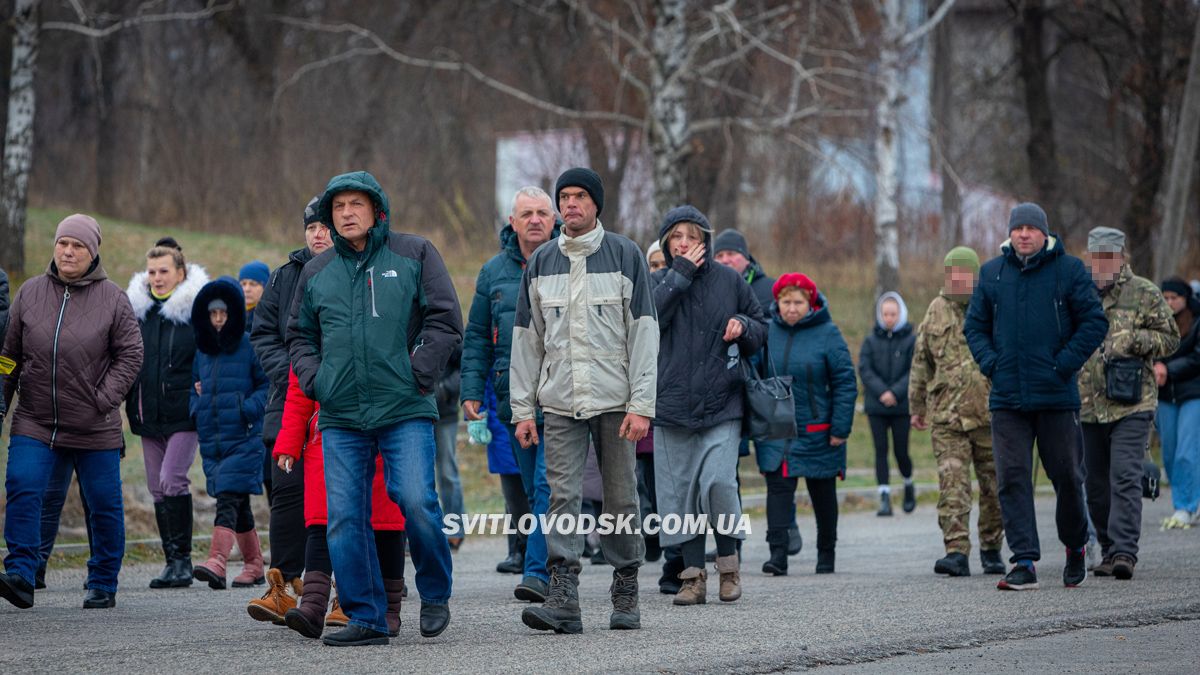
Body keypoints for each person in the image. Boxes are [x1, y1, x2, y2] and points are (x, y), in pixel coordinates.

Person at [288, 171, 462, 646]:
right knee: (343, 517)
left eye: (355, 204)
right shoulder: (316, 272)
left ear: (376, 209)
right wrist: (317, 379)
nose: (346, 213)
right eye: (338, 206)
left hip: (404, 405)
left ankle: (434, 592)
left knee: (415, 501)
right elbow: (299, 336)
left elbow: (446, 319)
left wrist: (416, 372)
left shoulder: (414, 253)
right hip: (341, 413)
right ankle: (366, 615)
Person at [511, 167, 658, 634]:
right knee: (562, 498)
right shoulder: (541, 262)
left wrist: (642, 404)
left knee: (620, 499)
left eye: (579, 197)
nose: (570, 204)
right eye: (565, 197)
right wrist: (522, 409)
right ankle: (564, 597)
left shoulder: (625, 254)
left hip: (617, 402)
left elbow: (644, 334)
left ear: (596, 204)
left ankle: (626, 588)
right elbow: (526, 340)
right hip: (558, 403)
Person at [0, 214, 143, 610]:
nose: (68, 251)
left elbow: (131, 355)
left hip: (94, 425)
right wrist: (2, 400)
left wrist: (103, 398)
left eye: (77, 245)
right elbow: (8, 357)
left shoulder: (113, 299)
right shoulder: (29, 292)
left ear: (92, 253)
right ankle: (22, 574)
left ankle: (102, 579)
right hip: (35, 418)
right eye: (63, 242)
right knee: (24, 487)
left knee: (103, 503)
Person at [964, 202, 1108, 591]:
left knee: (1067, 476)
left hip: (1057, 396)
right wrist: (992, 364)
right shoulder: (992, 274)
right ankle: (1023, 559)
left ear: (1045, 233)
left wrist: (1064, 365)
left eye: (1031, 227)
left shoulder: (1070, 271)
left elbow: (1094, 322)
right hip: (1007, 398)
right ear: (1009, 233)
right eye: (1018, 227)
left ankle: (1076, 545)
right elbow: (973, 326)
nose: (1024, 234)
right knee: (1011, 478)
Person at [651, 205, 765, 605]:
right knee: (680, 494)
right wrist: (678, 275)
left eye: (693, 237)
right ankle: (691, 578)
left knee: (717, 482)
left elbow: (760, 324)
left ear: (705, 242)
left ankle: (729, 568)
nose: (685, 243)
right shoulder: (660, 282)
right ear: (666, 243)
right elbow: (647, 322)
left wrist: (745, 327)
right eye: (677, 236)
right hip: (671, 406)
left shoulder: (730, 280)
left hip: (722, 403)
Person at [460, 186, 558, 603]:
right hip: (511, 397)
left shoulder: (572, 264)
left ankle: (537, 572)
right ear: (512, 222)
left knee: (548, 486)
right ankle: (554, 564)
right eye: (526, 214)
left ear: (554, 221)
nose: (535, 220)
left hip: (561, 395)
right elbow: (477, 336)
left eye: (542, 213)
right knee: (537, 491)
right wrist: (470, 390)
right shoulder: (492, 272)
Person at [246, 196, 331, 623]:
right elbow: (263, 334)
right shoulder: (284, 276)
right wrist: (293, 371)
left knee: (340, 496)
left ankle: (346, 586)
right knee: (286, 491)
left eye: (324, 226)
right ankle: (281, 585)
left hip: (343, 404)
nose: (318, 233)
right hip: (289, 402)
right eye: (311, 227)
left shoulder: (357, 270)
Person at [274, 367, 407, 639]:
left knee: (386, 524)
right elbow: (299, 389)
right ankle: (312, 605)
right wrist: (289, 441)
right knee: (321, 523)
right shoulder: (313, 330)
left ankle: (389, 609)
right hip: (327, 436)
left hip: (385, 428)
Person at [1077, 227, 1178, 579]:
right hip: (1088, 405)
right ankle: (1106, 549)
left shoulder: (1144, 292)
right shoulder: (1080, 292)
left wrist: (1134, 339)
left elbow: (1171, 339)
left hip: (1133, 404)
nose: (1102, 263)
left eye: (1109, 256)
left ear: (1121, 257)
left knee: (1124, 476)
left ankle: (1124, 552)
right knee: (1096, 485)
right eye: (1097, 256)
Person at [909, 247, 1005, 577]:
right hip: (947, 417)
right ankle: (956, 550)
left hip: (990, 414)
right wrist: (917, 405)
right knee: (953, 485)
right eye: (953, 275)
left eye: (965, 275)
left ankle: (992, 548)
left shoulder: (992, 306)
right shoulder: (935, 310)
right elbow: (921, 361)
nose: (959, 281)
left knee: (994, 487)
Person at [754, 273, 856, 576]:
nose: (792, 308)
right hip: (778, 430)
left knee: (823, 495)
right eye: (786, 302)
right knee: (778, 491)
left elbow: (845, 382)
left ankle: (826, 553)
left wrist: (840, 428)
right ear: (777, 303)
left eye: (798, 302)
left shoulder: (828, 333)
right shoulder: (767, 331)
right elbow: (755, 376)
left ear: (810, 303)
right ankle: (778, 555)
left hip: (818, 431)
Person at [712, 229, 803, 557]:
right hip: (727, 389)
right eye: (719, 256)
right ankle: (731, 540)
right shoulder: (712, 287)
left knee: (773, 462)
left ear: (746, 257)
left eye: (730, 255)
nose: (725, 261)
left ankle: (786, 523)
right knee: (727, 470)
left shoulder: (768, 288)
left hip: (763, 387)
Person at [125, 238, 208, 589]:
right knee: (156, 488)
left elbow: (212, 352)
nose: (157, 278)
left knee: (173, 480)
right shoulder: (137, 312)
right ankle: (170, 561)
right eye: (152, 272)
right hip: (147, 412)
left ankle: (184, 562)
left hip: (184, 412)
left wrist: (203, 383)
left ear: (180, 273)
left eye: (164, 272)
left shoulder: (195, 311)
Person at [190, 277, 269, 591]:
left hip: (245, 438)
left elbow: (268, 386)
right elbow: (194, 388)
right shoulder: (203, 351)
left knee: (227, 498)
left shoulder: (249, 344)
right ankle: (254, 565)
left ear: (234, 313)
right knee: (239, 504)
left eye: (223, 313)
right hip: (214, 440)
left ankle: (217, 561)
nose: (219, 319)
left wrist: (245, 410)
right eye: (213, 314)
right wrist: (196, 405)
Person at [859, 291, 916, 516]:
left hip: (901, 407)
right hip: (876, 406)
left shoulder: (912, 340)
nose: (889, 318)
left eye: (893, 314)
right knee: (880, 450)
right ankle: (884, 497)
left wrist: (895, 392)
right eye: (885, 314)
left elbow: (914, 370)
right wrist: (882, 392)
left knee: (901, 451)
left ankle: (908, 483)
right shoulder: (871, 340)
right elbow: (864, 368)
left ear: (900, 313)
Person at [1156, 277, 1200, 529]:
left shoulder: (1196, 322)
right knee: (1170, 454)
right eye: (1166, 297)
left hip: (1192, 393)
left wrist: (1167, 369)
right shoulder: (1157, 322)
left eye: (1175, 298)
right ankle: (1185, 498)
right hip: (1165, 396)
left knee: (1187, 450)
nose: (1170, 302)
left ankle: (1186, 506)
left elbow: (1197, 357)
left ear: (1185, 298)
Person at [435, 346, 466, 550]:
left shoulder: (444, 317)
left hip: (444, 413)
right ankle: (423, 534)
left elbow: (464, 366)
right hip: (412, 413)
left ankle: (455, 529)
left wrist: (444, 389)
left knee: (447, 472)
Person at [239, 260, 270, 334]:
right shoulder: (232, 313)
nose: (247, 289)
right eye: (243, 284)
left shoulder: (270, 317)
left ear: (265, 286)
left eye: (253, 284)